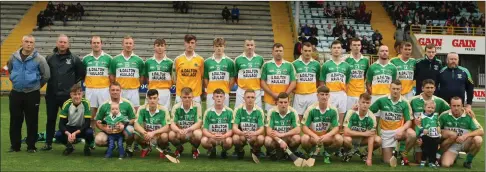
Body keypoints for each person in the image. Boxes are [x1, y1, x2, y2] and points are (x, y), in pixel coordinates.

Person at [8, 35, 50, 153]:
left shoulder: (39, 59)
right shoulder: (13, 57)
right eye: (26, 41)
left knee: (32, 120)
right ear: (22, 42)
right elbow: (11, 71)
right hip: (16, 93)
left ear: (34, 44)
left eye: (31, 42)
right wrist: (17, 81)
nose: (29, 44)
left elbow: (46, 75)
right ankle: (15, 146)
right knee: (15, 120)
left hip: (32, 94)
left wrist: (37, 86)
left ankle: (31, 146)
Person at [43, 34, 86, 151]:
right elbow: (45, 73)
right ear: (57, 43)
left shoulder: (74, 58)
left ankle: (69, 142)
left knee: (69, 120)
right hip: (51, 94)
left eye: (64, 42)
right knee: (50, 119)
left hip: (67, 95)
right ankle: (48, 143)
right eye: (60, 42)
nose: (62, 44)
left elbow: (81, 74)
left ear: (68, 44)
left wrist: (70, 85)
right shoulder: (49, 57)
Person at [369, 80, 415, 166]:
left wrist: (401, 129)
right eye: (393, 88)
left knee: (412, 134)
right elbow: (369, 111)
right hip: (386, 133)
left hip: (399, 131)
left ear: (401, 89)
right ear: (389, 88)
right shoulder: (381, 100)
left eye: (398, 89)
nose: (395, 91)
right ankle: (393, 152)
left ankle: (403, 153)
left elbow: (409, 121)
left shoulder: (405, 103)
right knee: (387, 161)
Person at [300, 86, 342, 164]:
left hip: (326, 137)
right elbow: (304, 127)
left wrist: (327, 135)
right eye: (322, 94)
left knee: (339, 139)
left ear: (329, 96)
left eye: (326, 94)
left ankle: (327, 153)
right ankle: (311, 152)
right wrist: (315, 136)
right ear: (317, 95)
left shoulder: (333, 110)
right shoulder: (311, 109)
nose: (324, 97)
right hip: (313, 137)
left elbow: (336, 128)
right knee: (304, 139)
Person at [94, 82, 137, 157]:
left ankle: (128, 147)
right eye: (113, 90)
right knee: (98, 140)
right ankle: (111, 145)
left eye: (117, 90)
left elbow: (134, 119)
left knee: (131, 130)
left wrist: (124, 124)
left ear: (120, 91)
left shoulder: (127, 104)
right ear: (109, 91)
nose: (115, 92)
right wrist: (105, 128)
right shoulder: (104, 105)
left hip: (123, 130)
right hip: (109, 131)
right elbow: (97, 122)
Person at [438, 97, 483, 169]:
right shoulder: (444, 115)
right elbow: (437, 129)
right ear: (450, 106)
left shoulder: (468, 115)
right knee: (445, 164)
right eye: (454, 106)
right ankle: (453, 156)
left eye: (458, 106)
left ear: (462, 105)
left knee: (478, 140)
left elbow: (481, 131)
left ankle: (468, 161)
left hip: (465, 143)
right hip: (451, 145)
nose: (456, 108)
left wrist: (465, 136)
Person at [342, 93, 381, 166]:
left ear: (370, 104)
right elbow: (346, 132)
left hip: (362, 140)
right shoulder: (351, 112)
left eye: (367, 103)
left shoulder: (372, 117)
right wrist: (364, 133)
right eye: (363, 102)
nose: (365, 104)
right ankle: (347, 151)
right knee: (347, 139)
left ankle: (365, 154)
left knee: (378, 140)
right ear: (359, 102)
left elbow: (371, 137)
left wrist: (369, 159)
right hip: (350, 138)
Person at [82, 36, 112, 131]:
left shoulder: (108, 58)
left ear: (101, 44)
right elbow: (83, 75)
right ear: (91, 44)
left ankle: (106, 134)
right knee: (91, 115)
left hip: (104, 89)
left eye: (98, 43)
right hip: (90, 89)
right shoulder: (86, 59)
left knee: (105, 114)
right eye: (94, 43)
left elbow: (111, 76)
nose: (96, 44)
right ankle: (91, 136)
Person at [54, 84, 93, 156]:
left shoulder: (86, 103)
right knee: (58, 135)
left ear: (82, 94)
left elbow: (87, 123)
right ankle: (69, 146)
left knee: (90, 132)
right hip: (70, 128)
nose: (77, 96)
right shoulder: (66, 104)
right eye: (75, 94)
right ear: (71, 95)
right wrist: (68, 134)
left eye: (79, 94)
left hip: (82, 128)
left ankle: (87, 146)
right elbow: (61, 124)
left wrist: (75, 133)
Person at [109, 35, 144, 112]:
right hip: (120, 90)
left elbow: (142, 76)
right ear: (122, 44)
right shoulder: (115, 59)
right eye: (126, 43)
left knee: (135, 112)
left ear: (133, 45)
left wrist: (136, 85)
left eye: (130, 43)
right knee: (118, 111)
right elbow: (112, 76)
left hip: (133, 90)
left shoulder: (139, 60)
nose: (128, 45)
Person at [319, 40, 351, 126]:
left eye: (338, 48)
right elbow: (322, 82)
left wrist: (345, 92)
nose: (336, 50)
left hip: (342, 93)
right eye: (334, 48)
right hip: (330, 93)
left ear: (341, 50)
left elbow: (347, 82)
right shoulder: (326, 65)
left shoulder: (346, 66)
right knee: (329, 114)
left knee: (341, 114)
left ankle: (339, 132)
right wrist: (324, 95)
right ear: (331, 50)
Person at [134, 89, 171, 158]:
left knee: (165, 136)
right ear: (147, 99)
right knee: (136, 135)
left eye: (154, 98)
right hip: (147, 135)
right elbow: (136, 125)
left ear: (158, 99)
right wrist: (145, 133)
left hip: (158, 135)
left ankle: (162, 149)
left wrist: (153, 133)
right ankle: (145, 148)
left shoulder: (163, 110)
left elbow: (167, 127)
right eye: (150, 98)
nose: (152, 100)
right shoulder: (142, 109)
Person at [264, 92, 301, 161]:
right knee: (267, 140)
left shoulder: (293, 112)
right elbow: (268, 131)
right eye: (281, 102)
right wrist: (280, 140)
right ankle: (273, 154)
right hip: (276, 139)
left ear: (288, 102)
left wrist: (283, 134)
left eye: (285, 102)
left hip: (287, 138)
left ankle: (289, 153)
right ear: (277, 103)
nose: (283, 105)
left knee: (297, 138)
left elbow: (298, 129)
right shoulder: (272, 112)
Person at [169, 87, 203, 159]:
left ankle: (194, 150)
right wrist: (179, 130)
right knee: (171, 134)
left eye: (189, 97)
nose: (187, 99)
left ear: (192, 97)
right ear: (181, 97)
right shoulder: (176, 107)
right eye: (184, 97)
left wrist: (188, 129)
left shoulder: (197, 106)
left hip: (192, 131)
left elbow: (199, 123)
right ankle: (179, 148)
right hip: (180, 131)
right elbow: (172, 124)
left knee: (198, 134)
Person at [261, 43, 296, 112]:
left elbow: (293, 82)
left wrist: (284, 95)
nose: (278, 53)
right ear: (272, 52)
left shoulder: (289, 65)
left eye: (280, 51)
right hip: (270, 99)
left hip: (285, 101)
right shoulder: (266, 65)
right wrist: (273, 94)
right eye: (276, 51)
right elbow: (262, 82)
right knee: (270, 120)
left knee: (285, 120)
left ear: (283, 52)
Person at [232, 89, 266, 159]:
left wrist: (254, 133)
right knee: (235, 138)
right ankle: (240, 150)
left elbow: (262, 128)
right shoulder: (238, 110)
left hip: (254, 135)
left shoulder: (259, 111)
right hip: (242, 135)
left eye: (252, 97)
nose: (250, 99)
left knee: (261, 139)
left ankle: (255, 150)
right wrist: (242, 133)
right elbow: (234, 127)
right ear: (244, 98)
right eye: (248, 97)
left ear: (255, 99)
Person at [201, 89, 234, 159]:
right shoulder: (208, 112)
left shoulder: (230, 112)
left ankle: (224, 151)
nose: (219, 98)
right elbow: (204, 130)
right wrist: (212, 135)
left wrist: (224, 135)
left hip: (224, 137)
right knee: (204, 141)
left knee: (229, 141)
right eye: (217, 96)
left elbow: (231, 130)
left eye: (221, 96)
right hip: (212, 137)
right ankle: (212, 149)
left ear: (224, 98)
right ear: (213, 98)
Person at [204, 37, 235, 108]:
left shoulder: (230, 62)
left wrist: (227, 90)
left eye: (221, 46)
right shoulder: (207, 62)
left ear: (224, 47)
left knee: (224, 114)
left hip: (224, 93)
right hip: (211, 93)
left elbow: (232, 79)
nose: (219, 48)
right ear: (213, 47)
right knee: (210, 113)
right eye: (217, 46)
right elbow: (205, 79)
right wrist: (210, 88)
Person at [143, 38, 174, 111]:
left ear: (165, 47)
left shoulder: (170, 62)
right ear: (154, 47)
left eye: (162, 46)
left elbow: (172, 77)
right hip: (152, 90)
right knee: (149, 111)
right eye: (158, 45)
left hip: (165, 91)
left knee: (165, 113)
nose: (160, 48)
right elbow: (147, 78)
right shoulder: (148, 62)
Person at [292, 42, 320, 119]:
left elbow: (318, 80)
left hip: (312, 95)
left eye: (309, 51)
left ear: (312, 51)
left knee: (312, 118)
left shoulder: (316, 64)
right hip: (299, 95)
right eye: (305, 50)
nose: (307, 53)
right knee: (297, 118)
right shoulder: (294, 64)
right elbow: (292, 80)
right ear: (301, 51)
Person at [234, 39, 265, 109]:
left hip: (256, 91)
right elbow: (235, 76)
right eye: (247, 45)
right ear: (244, 46)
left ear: (254, 46)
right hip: (242, 91)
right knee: (238, 111)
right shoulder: (238, 59)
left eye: (251, 45)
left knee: (257, 112)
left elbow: (262, 76)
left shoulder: (260, 59)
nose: (250, 47)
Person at [174, 34, 204, 104]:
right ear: (184, 43)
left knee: (196, 115)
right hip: (180, 94)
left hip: (195, 95)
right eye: (188, 42)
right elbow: (175, 76)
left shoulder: (200, 60)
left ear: (195, 44)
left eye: (192, 43)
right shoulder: (178, 59)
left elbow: (201, 76)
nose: (190, 45)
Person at [414, 100, 440, 168]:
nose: (430, 109)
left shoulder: (435, 116)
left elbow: (438, 125)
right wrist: (422, 130)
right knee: (426, 148)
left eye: (432, 108)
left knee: (434, 149)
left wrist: (438, 129)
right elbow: (417, 127)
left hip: (435, 136)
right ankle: (423, 160)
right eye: (428, 107)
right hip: (425, 136)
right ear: (424, 107)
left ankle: (432, 162)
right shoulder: (421, 117)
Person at [345, 37, 369, 110]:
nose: (356, 47)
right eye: (354, 45)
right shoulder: (346, 60)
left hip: (361, 94)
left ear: (361, 46)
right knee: (349, 115)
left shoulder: (365, 60)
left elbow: (365, 76)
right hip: (349, 94)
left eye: (358, 45)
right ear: (350, 46)